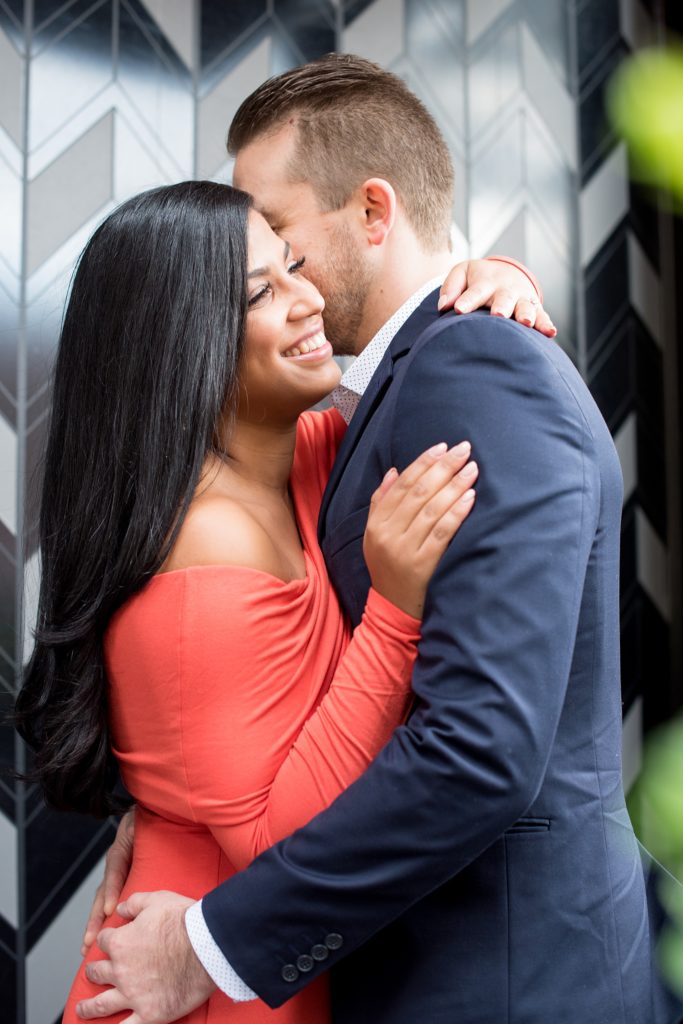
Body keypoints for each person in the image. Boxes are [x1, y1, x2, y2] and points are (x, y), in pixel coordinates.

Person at [72, 54, 676, 1024]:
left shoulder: (471, 361)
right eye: (256, 280)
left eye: (276, 234)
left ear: (370, 212)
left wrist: (211, 945)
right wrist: (176, 803)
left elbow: (477, 747)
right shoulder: (368, 400)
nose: (287, 284)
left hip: (500, 976)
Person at [14, 176, 545, 1023]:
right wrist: (396, 608)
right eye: (263, 291)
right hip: (204, 980)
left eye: (293, 265)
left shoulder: (300, 445)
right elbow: (275, 839)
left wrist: (495, 280)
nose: (309, 301)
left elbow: (404, 369)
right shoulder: (208, 549)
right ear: (179, 344)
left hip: (253, 956)